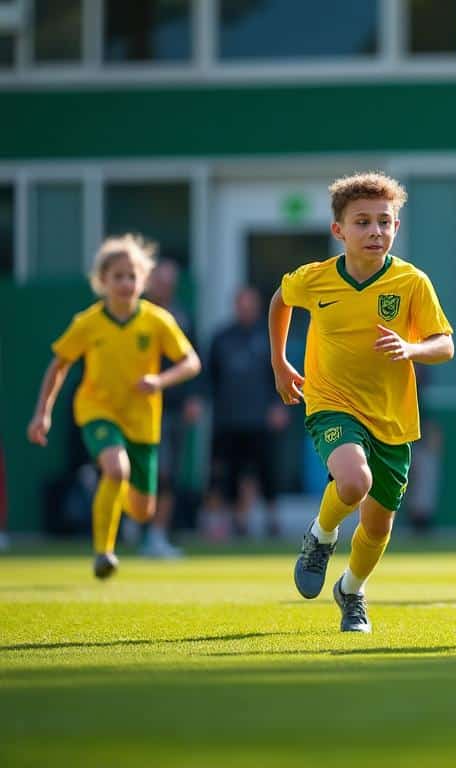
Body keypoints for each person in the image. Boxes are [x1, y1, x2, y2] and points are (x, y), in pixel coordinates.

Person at [273, 172, 455, 632]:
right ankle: (321, 535)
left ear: (396, 227)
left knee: (377, 528)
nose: (375, 231)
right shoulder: (315, 279)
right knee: (353, 482)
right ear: (339, 230)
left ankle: (351, 590)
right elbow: (281, 300)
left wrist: (411, 348)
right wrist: (280, 362)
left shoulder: (411, 281)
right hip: (331, 402)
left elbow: (445, 344)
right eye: (363, 222)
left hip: (392, 417)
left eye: (384, 222)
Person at [26, 234, 201, 579]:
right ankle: (103, 552)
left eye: (131, 276)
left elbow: (191, 362)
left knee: (142, 511)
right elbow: (58, 365)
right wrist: (42, 413)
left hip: (142, 420)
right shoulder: (87, 323)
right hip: (98, 411)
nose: (125, 283)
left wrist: (159, 381)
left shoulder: (157, 320)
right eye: (117, 276)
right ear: (102, 281)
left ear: (143, 280)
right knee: (116, 469)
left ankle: (110, 493)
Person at [202, 285, 287, 539]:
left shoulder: (270, 335)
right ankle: (235, 521)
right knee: (228, 473)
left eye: (251, 304)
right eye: (242, 304)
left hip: (261, 419)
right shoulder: (221, 338)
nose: (246, 309)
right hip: (228, 420)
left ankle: (272, 520)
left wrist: (279, 405)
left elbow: (280, 373)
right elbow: (209, 378)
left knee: (266, 471)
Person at [140, 258, 196, 558]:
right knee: (137, 470)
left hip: (172, 408)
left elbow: (193, 358)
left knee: (167, 473)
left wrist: (193, 398)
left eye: (170, 283)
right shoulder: (136, 315)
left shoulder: (181, 316)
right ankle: (130, 527)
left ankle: (157, 534)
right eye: (161, 281)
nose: (166, 287)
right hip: (139, 408)